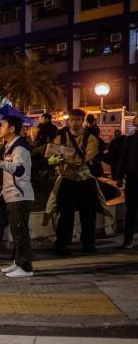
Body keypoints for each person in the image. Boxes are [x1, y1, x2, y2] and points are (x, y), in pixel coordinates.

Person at [49, 109, 105, 256]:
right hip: (67, 180)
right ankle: (61, 244)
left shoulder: (91, 138)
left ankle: (88, 243)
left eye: (78, 119)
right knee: (65, 214)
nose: (74, 123)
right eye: (72, 119)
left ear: (83, 121)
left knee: (89, 213)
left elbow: (87, 157)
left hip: (85, 180)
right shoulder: (60, 137)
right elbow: (51, 159)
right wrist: (57, 160)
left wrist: (64, 156)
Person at [0, 115, 34, 278]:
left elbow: (19, 170)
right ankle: (18, 262)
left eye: (3, 125)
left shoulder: (19, 147)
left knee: (21, 232)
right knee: (16, 231)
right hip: (11, 195)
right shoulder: (9, 146)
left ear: (12, 129)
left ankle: (26, 267)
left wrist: (1, 164)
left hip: (20, 195)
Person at [116, 115, 138, 249]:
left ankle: (128, 240)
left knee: (131, 210)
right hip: (133, 178)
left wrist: (119, 176)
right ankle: (128, 239)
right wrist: (119, 177)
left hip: (132, 178)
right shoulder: (130, 140)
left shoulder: (130, 139)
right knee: (131, 210)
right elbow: (123, 159)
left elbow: (123, 159)